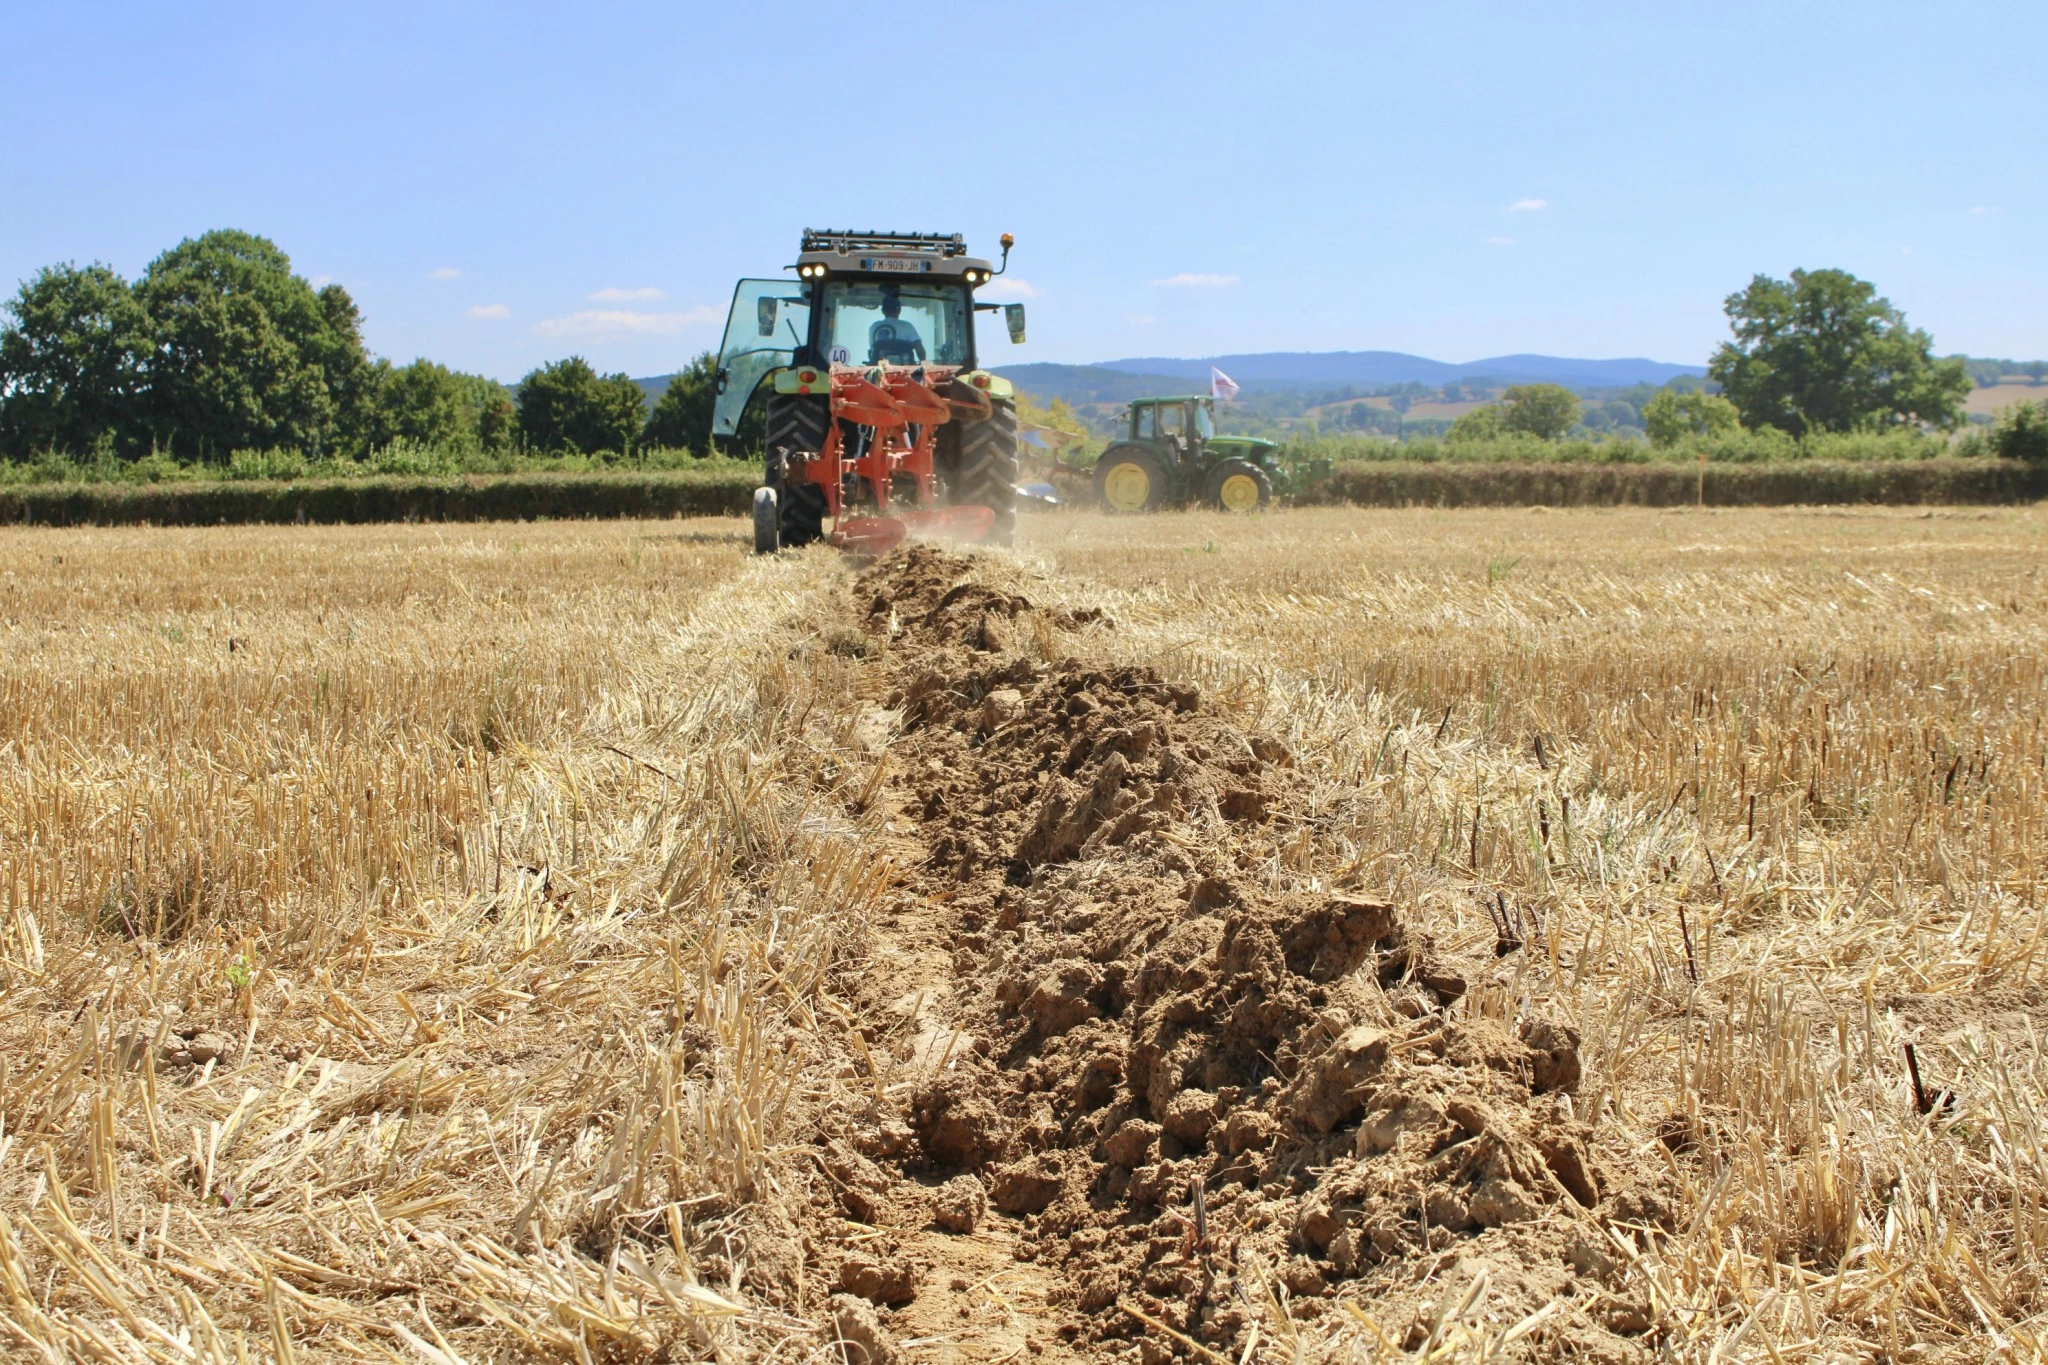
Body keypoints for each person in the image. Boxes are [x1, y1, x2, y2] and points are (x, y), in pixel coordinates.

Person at [867, 288, 925, 364]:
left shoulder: (873, 327)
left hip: (879, 370)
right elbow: (919, 348)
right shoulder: (907, 326)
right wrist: (924, 364)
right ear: (899, 310)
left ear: (883, 311)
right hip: (905, 370)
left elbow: (873, 352)